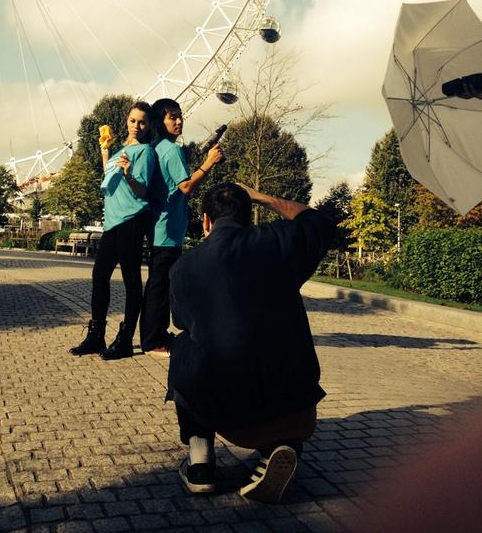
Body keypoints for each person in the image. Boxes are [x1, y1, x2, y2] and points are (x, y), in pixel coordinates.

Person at [168, 182, 335, 501]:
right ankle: (278, 449)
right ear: (250, 216)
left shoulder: (182, 269)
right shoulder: (278, 242)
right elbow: (318, 221)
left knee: (183, 346)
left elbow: (184, 323)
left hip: (231, 415)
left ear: (205, 221)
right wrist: (263, 197)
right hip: (297, 408)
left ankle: (200, 460)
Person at [69, 101, 155, 360]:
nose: (136, 126)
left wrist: (129, 175)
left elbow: (144, 191)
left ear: (148, 125)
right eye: (132, 120)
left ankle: (126, 340)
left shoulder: (146, 152)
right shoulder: (119, 148)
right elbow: (108, 178)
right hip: (112, 222)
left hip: (131, 220)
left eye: (142, 122)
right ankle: (96, 336)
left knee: (131, 281)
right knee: (99, 277)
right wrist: (105, 152)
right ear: (126, 121)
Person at [140, 98, 223, 355]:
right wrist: (209, 163)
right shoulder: (172, 150)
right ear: (160, 121)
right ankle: (154, 340)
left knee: (157, 283)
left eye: (180, 115)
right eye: (172, 116)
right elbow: (185, 186)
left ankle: (155, 335)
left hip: (156, 225)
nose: (178, 121)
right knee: (160, 286)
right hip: (168, 228)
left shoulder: (155, 147)